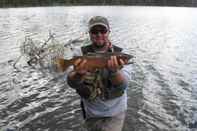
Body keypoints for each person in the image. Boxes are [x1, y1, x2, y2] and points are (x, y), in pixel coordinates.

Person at [67, 16, 131, 131]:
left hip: (115, 113)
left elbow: (123, 85)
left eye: (103, 31)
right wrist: (79, 74)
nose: (99, 34)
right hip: (91, 112)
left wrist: (114, 72)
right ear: (89, 33)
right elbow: (71, 83)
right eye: (94, 31)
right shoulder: (80, 53)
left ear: (109, 32)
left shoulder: (120, 52)